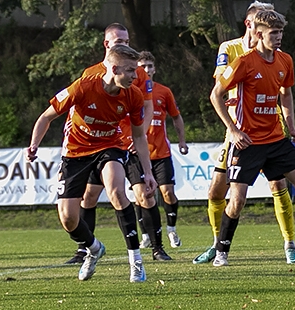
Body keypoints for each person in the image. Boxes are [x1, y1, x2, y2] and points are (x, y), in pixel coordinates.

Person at [195, 1, 295, 265]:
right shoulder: (244, 62)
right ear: (258, 34)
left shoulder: (285, 60)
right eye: (273, 33)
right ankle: (222, 251)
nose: (278, 37)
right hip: (248, 142)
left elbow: (286, 92)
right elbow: (216, 95)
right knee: (236, 200)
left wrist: (291, 125)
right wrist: (233, 130)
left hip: (276, 140)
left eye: (280, 32)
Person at [26, 44, 157, 282]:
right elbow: (46, 116)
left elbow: (138, 136)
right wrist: (34, 144)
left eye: (135, 71)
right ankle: (94, 248)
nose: (135, 76)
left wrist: (147, 172)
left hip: (110, 147)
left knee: (117, 192)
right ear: (114, 68)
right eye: (129, 71)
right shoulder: (83, 87)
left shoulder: (133, 95)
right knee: (68, 218)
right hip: (76, 152)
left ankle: (136, 261)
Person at [63, 24, 164, 263]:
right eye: (119, 41)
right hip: (98, 145)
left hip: (128, 143)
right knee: (88, 196)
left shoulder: (138, 71)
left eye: (127, 41)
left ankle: (156, 249)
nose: (124, 44)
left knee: (143, 194)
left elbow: (147, 107)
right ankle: (84, 249)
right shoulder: (90, 74)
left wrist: (137, 137)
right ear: (107, 44)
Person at [136, 51, 188, 250]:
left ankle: (171, 229)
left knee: (167, 193)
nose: (146, 70)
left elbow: (176, 117)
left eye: (149, 66)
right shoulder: (131, 91)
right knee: (142, 196)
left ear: (155, 69)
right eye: (142, 66)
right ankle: (146, 235)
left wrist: (181, 141)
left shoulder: (164, 92)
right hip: (140, 155)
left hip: (161, 153)